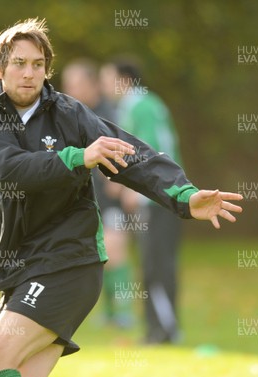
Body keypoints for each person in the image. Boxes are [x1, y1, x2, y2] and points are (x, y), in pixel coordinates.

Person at [0, 18, 243, 377]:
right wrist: (78, 156)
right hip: (24, 261)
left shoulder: (68, 113)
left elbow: (131, 153)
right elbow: (4, 168)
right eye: (19, 63)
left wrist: (184, 195)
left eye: (38, 64)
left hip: (69, 259)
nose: (29, 73)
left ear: (47, 68)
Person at [100, 58, 185, 344]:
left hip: (159, 200)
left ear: (124, 80)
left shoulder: (141, 106)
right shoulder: (136, 106)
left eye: (107, 78)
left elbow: (151, 152)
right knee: (149, 265)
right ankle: (156, 330)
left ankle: (166, 330)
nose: (103, 86)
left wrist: (134, 190)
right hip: (155, 200)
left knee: (157, 265)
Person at [61, 58, 134, 328]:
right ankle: (106, 313)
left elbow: (132, 146)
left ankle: (123, 313)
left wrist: (124, 180)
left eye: (76, 83)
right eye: (67, 84)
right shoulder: (68, 116)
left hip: (110, 198)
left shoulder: (111, 112)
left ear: (93, 84)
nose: (70, 89)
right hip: (84, 200)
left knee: (116, 252)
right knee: (97, 256)